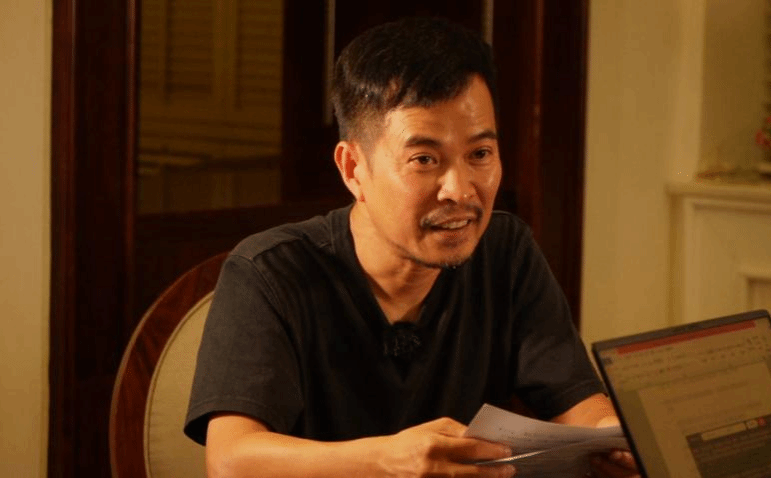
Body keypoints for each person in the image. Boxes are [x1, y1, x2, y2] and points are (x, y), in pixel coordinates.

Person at [184, 16, 639, 478]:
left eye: (480, 154)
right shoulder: (270, 272)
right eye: (424, 159)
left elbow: (577, 401)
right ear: (353, 168)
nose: (460, 190)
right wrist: (386, 460)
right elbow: (230, 461)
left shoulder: (505, 251)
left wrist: (616, 437)